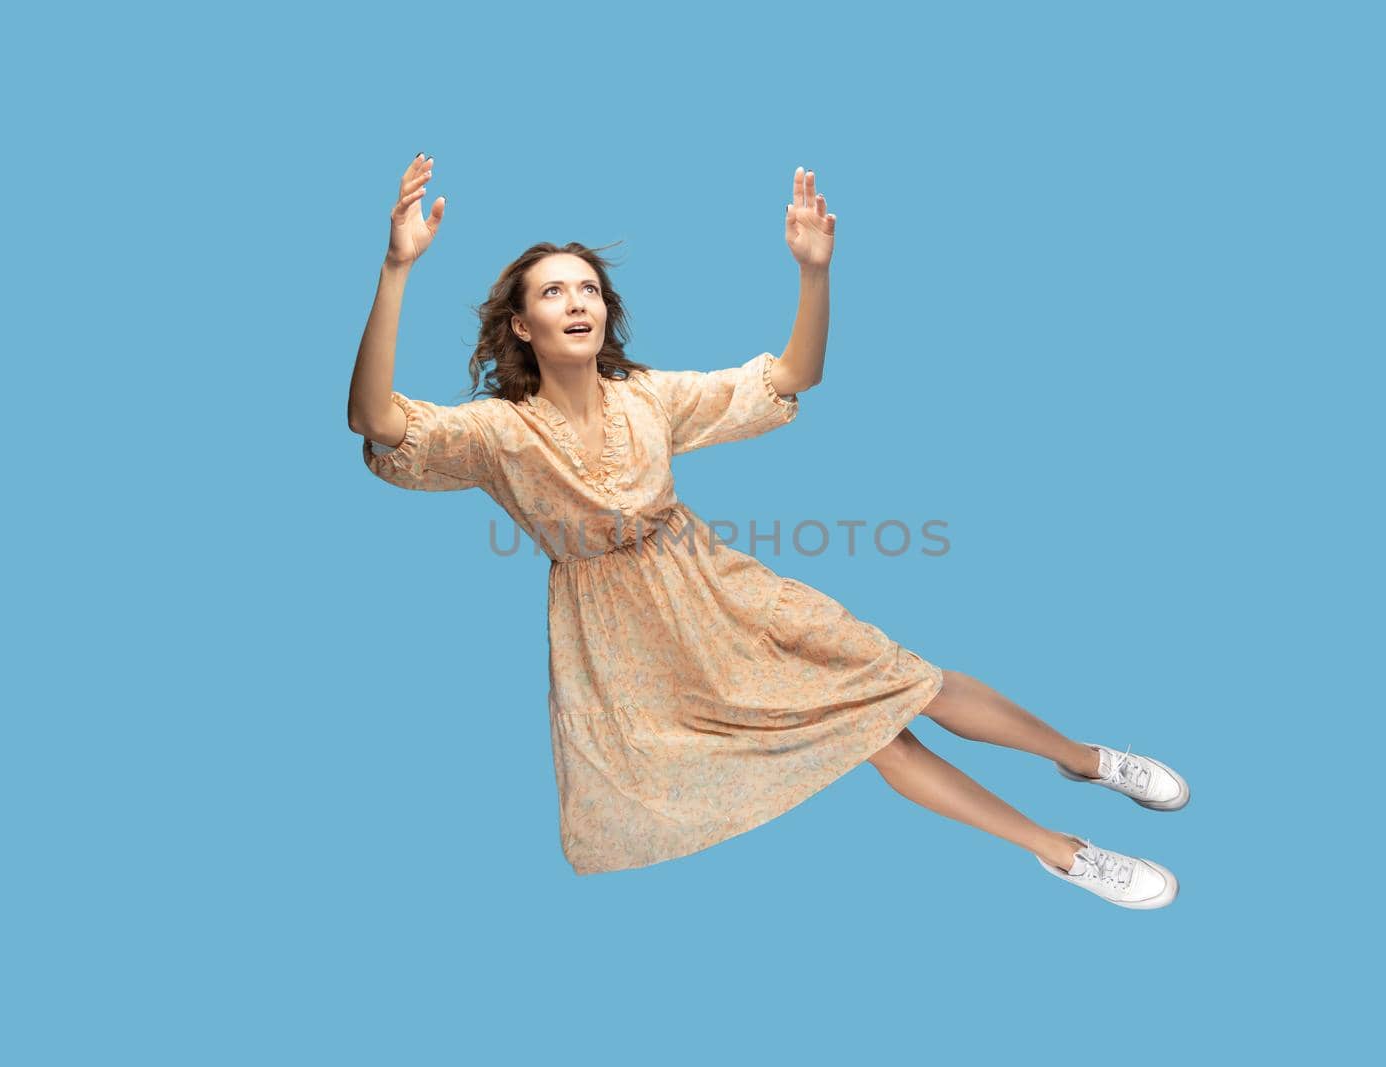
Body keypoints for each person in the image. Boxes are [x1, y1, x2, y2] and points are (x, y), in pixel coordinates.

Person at [346, 154, 1191, 908]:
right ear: (523, 326)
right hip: (630, 644)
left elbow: (792, 376)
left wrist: (813, 273)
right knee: (876, 738)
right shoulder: (499, 431)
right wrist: (396, 269)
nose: (579, 302)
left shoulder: (649, 397)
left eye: (590, 288)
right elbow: (376, 418)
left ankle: (1083, 758)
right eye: (554, 291)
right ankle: (1062, 852)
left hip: (716, 585)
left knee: (905, 680)